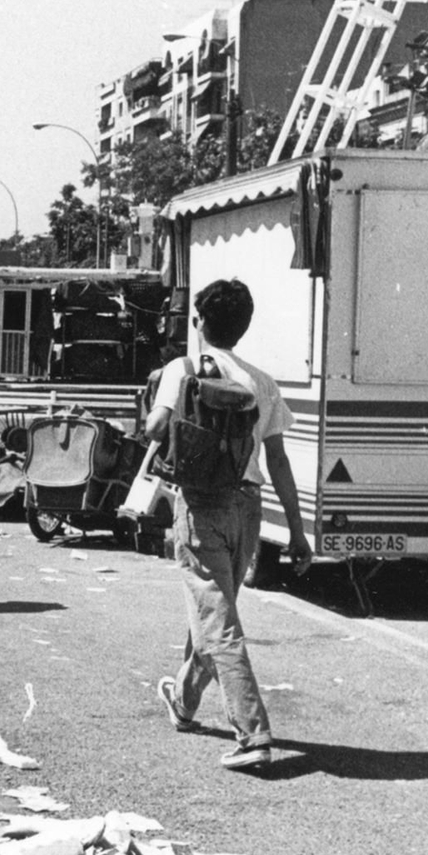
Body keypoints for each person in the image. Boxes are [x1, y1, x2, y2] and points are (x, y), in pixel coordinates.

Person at [143, 278, 313, 772]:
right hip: (249, 507)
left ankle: (253, 735)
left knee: (218, 622)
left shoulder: (185, 367)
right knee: (216, 613)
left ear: (199, 321)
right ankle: (183, 701)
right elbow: (278, 460)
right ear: (243, 327)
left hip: (201, 505)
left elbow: (156, 428)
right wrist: (298, 533)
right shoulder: (262, 382)